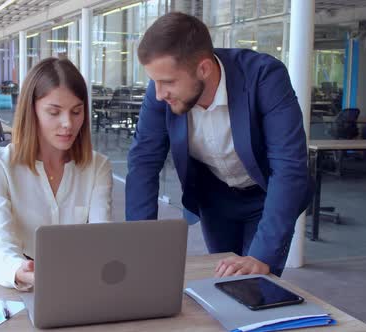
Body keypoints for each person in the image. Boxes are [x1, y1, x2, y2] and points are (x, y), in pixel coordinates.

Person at [126, 12, 312, 277]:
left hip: (265, 194)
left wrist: (261, 257)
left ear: (203, 68)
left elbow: (289, 168)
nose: (158, 93)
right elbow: (143, 161)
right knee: (221, 279)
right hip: (215, 197)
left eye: (167, 82)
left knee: (254, 281)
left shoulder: (264, 77)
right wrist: (139, 245)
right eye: (154, 81)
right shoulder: (160, 92)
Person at [0, 58, 113, 290]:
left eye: (76, 111)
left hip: (77, 282)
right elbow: (0, 246)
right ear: (32, 112)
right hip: (14, 284)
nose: (68, 123)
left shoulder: (97, 166)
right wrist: (20, 271)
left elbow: (102, 241)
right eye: (54, 112)